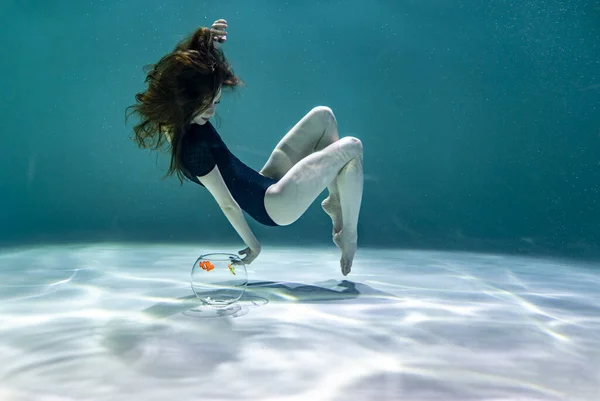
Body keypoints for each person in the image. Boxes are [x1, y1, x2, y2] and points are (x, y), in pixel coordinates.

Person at [126, 19, 364, 275]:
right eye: (206, 104)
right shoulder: (193, 149)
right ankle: (348, 234)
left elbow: (181, 70)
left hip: (265, 181)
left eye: (216, 102)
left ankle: (336, 201)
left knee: (323, 116)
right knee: (352, 147)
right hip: (277, 205)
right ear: (186, 100)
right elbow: (227, 204)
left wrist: (206, 38)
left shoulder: (175, 113)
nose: (212, 111)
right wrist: (254, 246)